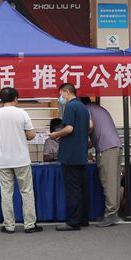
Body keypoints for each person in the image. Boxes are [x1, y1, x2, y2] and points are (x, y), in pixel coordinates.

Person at [0, 87, 41, 234]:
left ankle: (9, 225)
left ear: (1, 99)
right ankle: (29, 225)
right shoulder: (22, 113)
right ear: (16, 98)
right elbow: (31, 134)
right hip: (21, 159)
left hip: (3, 160)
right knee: (26, 192)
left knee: (6, 193)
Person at [50, 83, 92, 231]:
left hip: (70, 154)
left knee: (72, 189)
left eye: (61, 94)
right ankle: (83, 218)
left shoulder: (70, 106)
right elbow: (90, 126)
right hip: (81, 152)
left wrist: (56, 134)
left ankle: (73, 221)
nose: (60, 98)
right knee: (82, 187)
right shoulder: (84, 108)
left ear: (67, 92)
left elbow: (68, 128)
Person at [81, 96, 122, 227]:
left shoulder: (86, 109)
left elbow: (90, 127)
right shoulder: (98, 108)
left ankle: (110, 214)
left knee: (109, 183)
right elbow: (96, 134)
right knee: (114, 182)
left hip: (106, 148)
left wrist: (80, 138)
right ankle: (112, 213)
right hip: (114, 146)